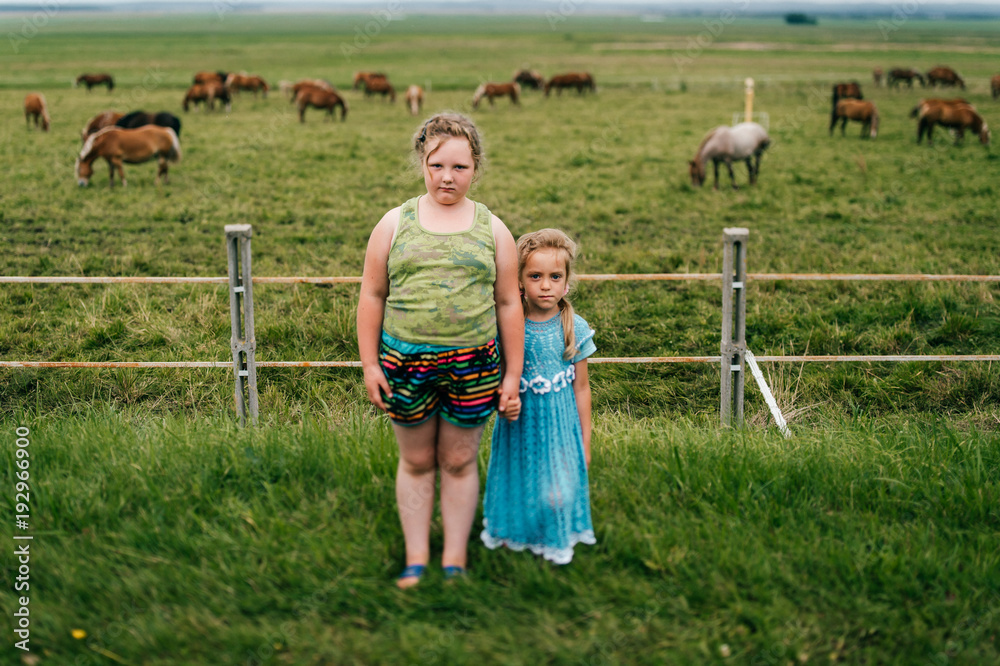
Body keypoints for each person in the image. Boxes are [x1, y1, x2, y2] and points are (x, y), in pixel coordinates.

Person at [357, 112, 524, 588]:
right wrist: (370, 363)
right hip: (404, 365)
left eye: (460, 167)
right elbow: (372, 295)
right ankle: (415, 558)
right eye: (436, 165)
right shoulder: (394, 224)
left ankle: (454, 560)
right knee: (416, 461)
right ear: (422, 163)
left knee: (458, 460)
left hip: (474, 366)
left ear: (476, 168)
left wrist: (511, 376)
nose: (447, 177)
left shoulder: (494, 229)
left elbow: (509, 302)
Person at [480, 228, 596, 565]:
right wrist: (503, 400)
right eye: (535, 276)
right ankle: (515, 536)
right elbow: (497, 376)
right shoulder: (509, 325)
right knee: (520, 481)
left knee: (557, 492)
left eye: (554, 276)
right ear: (519, 280)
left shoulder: (573, 326)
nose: (546, 285)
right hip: (520, 424)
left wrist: (585, 442)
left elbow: (582, 388)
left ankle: (554, 540)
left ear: (566, 281)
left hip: (561, 426)